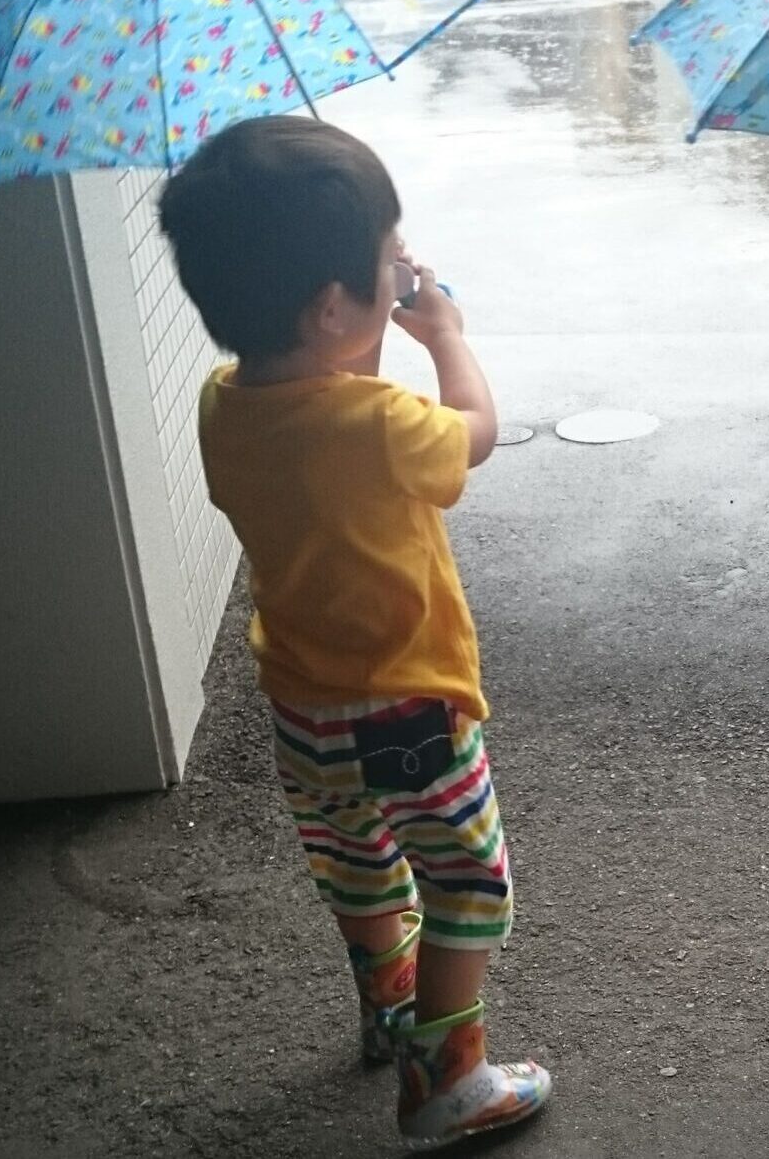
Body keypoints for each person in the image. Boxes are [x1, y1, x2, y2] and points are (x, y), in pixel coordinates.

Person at [160, 116, 550, 1150]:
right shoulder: (381, 425)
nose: (399, 272)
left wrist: (367, 307)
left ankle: (390, 1009)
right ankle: (447, 1080)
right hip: (408, 707)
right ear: (332, 306)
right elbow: (470, 438)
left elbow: (328, 393)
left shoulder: (221, 404)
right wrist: (446, 333)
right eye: (385, 261)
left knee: (362, 865)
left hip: (304, 710)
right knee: (465, 882)